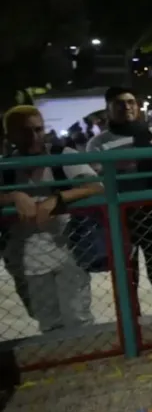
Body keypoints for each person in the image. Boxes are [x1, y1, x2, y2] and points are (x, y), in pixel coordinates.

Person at [1, 106, 102, 332]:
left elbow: (96, 186)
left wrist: (58, 198)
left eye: (38, 129)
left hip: (68, 247)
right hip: (25, 256)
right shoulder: (5, 165)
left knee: (78, 316)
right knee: (47, 320)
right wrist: (14, 196)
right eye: (26, 131)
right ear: (10, 135)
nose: (34, 137)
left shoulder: (61, 156)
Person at [87, 87, 152, 314]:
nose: (127, 107)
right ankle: (132, 324)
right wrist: (137, 160)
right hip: (121, 216)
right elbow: (98, 178)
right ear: (108, 109)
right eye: (119, 103)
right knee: (128, 275)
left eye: (130, 102)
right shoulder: (97, 143)